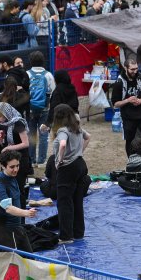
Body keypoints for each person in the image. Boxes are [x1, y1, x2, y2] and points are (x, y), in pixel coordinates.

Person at [50, 104, 90, 244]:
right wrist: (79, 152)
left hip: (68, 168)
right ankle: (78, 233)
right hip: (80, 165)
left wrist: (59, 161)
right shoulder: (76, 127)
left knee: (64, 202)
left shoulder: (62, 130)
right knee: (77, 200)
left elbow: (62, 144)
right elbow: (88, 137)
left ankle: (66, 236)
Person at [111, 57, 141, 157]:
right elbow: (115, 103)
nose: (135, 71)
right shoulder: (119, 82)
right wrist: (127, 100)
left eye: (136, 68)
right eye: (132, 69)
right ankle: (131, 162)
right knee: (129, 140)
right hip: (128, 116)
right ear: (126, 68)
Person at [0, 151, 37, 250]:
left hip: (17, 227)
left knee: (29, 258)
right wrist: (26, 213)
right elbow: (8, 208)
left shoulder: (12, 177)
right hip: (5, 232)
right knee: (10, 263)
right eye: (12, 167)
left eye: (17, 166)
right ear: (3, 166)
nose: (16, 169)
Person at [0, 102, 32, 208]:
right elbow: (1, 143)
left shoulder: (18, 123)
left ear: (6, 114)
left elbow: (26, 143)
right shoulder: (2, 123)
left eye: (0, 117)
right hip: (7, 160)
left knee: (19, 189)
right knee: (6, 187)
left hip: (19, 159)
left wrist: (8, 148)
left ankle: (21, 218)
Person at [26, 51, 55, 167]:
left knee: (31, 135)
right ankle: (42, 161)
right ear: (43, 61)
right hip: (45, 109)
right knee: (44, 136)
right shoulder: (48, 75)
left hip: (30, 110)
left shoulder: (27, 74)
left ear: (31, 61)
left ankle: (31, 161)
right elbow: (52, 92)